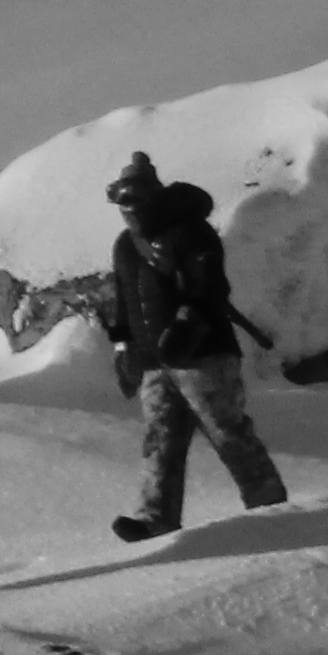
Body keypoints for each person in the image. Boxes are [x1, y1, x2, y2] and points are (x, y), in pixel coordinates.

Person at [101, 152, 287, 541]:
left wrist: (187, 326)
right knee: (160, 439)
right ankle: (155, 518)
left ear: (153, 194)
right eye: (121, 198)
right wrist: (122, 347)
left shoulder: (189, 231)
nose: (128, 206)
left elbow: (210, 286)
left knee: (226, 430)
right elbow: (122, 301)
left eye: (134, 196)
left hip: (204, 354)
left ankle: (270, 506)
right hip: (154, 361)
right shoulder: (125, 246)